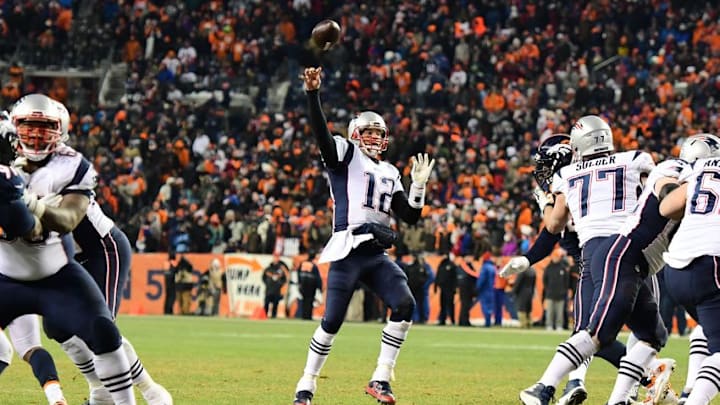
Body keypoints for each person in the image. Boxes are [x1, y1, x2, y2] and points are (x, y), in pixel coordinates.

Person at [519, 128, 717, 405]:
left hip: (633, 260)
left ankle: (619, 399)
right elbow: (667, 201)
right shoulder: (672, 171)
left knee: (653, 334)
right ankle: (543, 388)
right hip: (623, 255)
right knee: (599, 332)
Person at [292, 67, 434, 405]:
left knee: (404, 304)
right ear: (356, 135)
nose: (373, 138)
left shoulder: (390, 171)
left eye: (378, 133)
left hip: (375, 254)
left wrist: (418, 185)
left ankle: (381, 379)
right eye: (368, 132)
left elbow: (410, 216)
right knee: (331, 321)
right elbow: (321, 135)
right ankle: (306, 385)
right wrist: (313, 95)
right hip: (347, 248)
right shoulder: (346, 154)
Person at [0, 93, 136, 404]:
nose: (35, 134)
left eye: (45, 127)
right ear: (13, 128)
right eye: (28, 126)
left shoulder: (72, 165)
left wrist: (33, 206)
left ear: (60, 131)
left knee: (104, 331)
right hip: (4, 275)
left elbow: (68, 220)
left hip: (56, 273)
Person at [659, 135, 720, 405]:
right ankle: (697, 400)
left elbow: (666, 207)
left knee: (708, 328)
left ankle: (689, 391)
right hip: (711, 262)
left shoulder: (698, 170)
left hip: (676, 266)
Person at [543, 249, 571, 331]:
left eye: (557, 257)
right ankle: (549, 325)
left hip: (561, 294)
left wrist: (565, 290)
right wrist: (547, 289)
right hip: (550, 293)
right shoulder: (548, 268)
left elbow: (566, 281)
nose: (555, 258)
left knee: (560, 312)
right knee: (550, 311)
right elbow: (545, 280)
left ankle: (559, 325)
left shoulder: (563, 268)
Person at [403, 254, 430, 324]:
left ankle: (422, 319)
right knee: (411, 304)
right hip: (411, 288)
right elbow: (405, 276)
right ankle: (412, 318)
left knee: (420, 304)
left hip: (419, 289)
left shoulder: (422, 267)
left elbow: (426, 277)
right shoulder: (409, 267)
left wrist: (422, 283)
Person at [434, 253, 458, 325]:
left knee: (450, 304)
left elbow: (455, 278)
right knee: (442, 304)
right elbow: (438, 276)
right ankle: (442, 320)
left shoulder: (452, 265)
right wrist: (436, 285)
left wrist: (455, 288)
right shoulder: (441, 264)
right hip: (442, 288)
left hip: (450, 288)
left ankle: (452, 320)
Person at [297, 253, 323, 320]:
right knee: (310, 301)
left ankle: (303, 316)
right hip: (311, 286)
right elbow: (317, 277)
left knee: (304, 301)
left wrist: (299, 284)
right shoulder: (313, 266)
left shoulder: (302, 264)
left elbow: (298, 274)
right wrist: (319, 287)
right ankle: (308, 316)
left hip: (303, 285)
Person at [263, 253, 288, 319]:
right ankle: (264, 315)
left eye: (277, 257)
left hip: (277, 289)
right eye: (275, 257)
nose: (276, 259)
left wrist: (280, 284)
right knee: (266, 303)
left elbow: (284, 279)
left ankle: (273, 316)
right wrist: (267, 283)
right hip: (269, 289)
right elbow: (263, 277)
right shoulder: (268, 268)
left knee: (275, 304)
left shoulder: (281, 269)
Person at [513, 261, 536, 329]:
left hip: (522, 292)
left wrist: (514, 291)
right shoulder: (533, 271)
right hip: (530, 292)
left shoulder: (522, 271)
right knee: (528, 309)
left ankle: (523, 324)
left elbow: (518, 283)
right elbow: (534, 284)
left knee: (521, 309)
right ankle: (529, 323)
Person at [476, 252, 495, 327]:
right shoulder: (492, 267)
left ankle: (487, 322)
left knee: (485, 306)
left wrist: (477, 287)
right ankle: (489, 321)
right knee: (490, 306)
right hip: (491, 289)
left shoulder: (485, 268)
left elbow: (482, 279)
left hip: (485, 289)